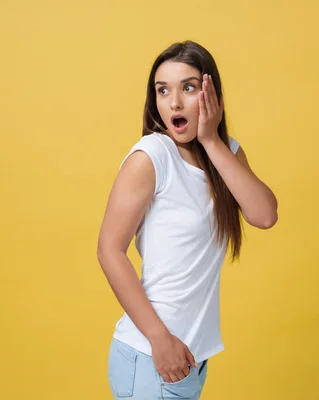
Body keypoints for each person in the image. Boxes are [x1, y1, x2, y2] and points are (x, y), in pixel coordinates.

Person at [97, 40, 278, 400]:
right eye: (163, 90)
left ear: (213, 96)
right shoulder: (152, 156)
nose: (174, 102)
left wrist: (211, 142)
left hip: (189, 360)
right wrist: (159, 339)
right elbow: (109, 250)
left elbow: (264, 214)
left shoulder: (227, 153)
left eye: (188, 88)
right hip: (152, 357)